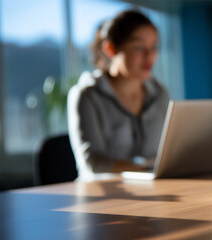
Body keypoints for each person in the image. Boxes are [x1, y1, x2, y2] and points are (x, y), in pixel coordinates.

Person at [67, 10, 169, 181]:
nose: (149, 55)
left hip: (154, 190)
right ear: (111, 49)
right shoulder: (86, 95)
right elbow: (93, 163)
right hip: (102, 197)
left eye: (153, 47)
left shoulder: (160, 93)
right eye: (138, 47)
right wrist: (146, 166)